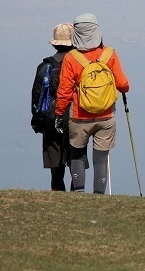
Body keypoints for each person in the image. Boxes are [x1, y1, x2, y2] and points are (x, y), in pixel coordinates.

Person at [55, 13, 130, 194]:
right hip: (106, 116)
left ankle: (79, 193)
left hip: (79, 116)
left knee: (77, 155)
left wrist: (59, 113)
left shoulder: (72, 58)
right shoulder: (109, 54)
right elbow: (123, 85)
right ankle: (99, 196)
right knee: (101, 158)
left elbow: (64, 91)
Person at [30, 23, 74, 191]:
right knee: (75, 159)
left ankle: (58, 193)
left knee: (56, 164)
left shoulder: (44, 67)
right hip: (74, 119)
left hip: (51, 119)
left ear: (54, 43)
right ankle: (77, 192)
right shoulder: (79, 66)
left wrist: (38, 122)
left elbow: (36, 98)